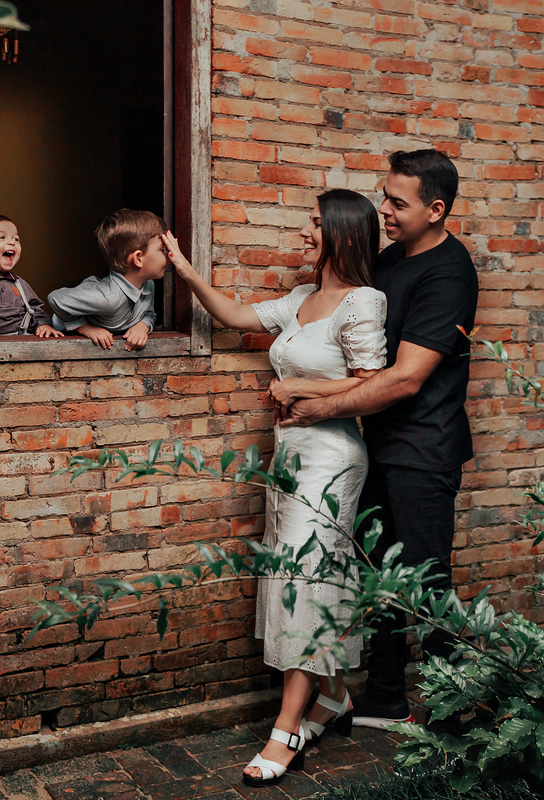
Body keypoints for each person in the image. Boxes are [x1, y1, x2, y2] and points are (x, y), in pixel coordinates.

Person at [166, 190, 387, 787]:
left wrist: (301, 389)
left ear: (344, 233)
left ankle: (286, 729)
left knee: (307, 579)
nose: (305, 233)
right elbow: (236, 317)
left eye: (315, 224)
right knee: (305, 576)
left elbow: (371, 381)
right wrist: (185, 270)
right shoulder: (302, 299)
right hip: (290, 458)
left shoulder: (364, 300)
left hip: (332, 459)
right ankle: (332, 696)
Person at [278, 150, 479, 736]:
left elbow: (407, 377)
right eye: (384, 196)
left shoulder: (449, 273)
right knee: (381, 579)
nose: (384, 210)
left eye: (398, 202)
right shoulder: (391, 260)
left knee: (426, 581)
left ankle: (453, 714)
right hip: (378, 447)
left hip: (424, 451)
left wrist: (321, 405)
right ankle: (388, 698)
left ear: (435, 210)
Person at [47, 209, 166, 350]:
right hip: (63, 330)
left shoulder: (148, 284)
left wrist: (142, 326)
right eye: (162, 249)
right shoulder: (107, 298)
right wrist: (86, 328)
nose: (169, 254)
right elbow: (56, 298)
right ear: (138, 258)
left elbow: (148, 314)